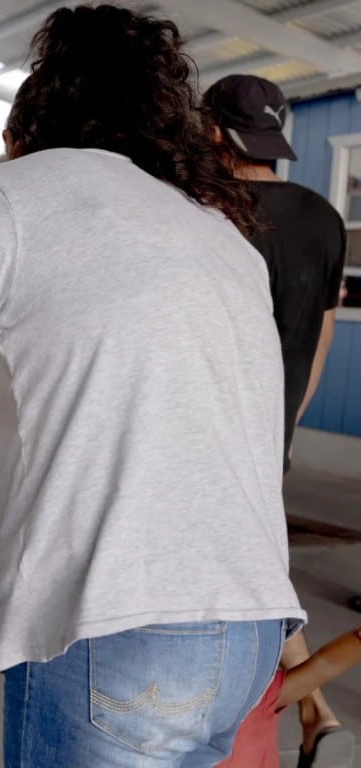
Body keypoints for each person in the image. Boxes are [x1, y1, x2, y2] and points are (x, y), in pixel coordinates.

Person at [0, 5, 304, 766]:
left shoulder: (2, 196)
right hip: (251, 631)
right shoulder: (217, 230)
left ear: (27, 127)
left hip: (121, 632)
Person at [204, 74, 351, 767]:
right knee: (261, 559)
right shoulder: (323, 217)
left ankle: (292, 714)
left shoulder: (207, 211)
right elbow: (319, 338)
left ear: (210, 132)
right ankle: (315, 713)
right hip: (275, 427)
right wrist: (286, 419)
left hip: (203, 431)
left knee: (238, 574)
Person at [218, 626, 361, 767]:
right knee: (268, 608)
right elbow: (324, 665)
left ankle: (317, 716)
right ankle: (318, 715)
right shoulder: (248, 698)